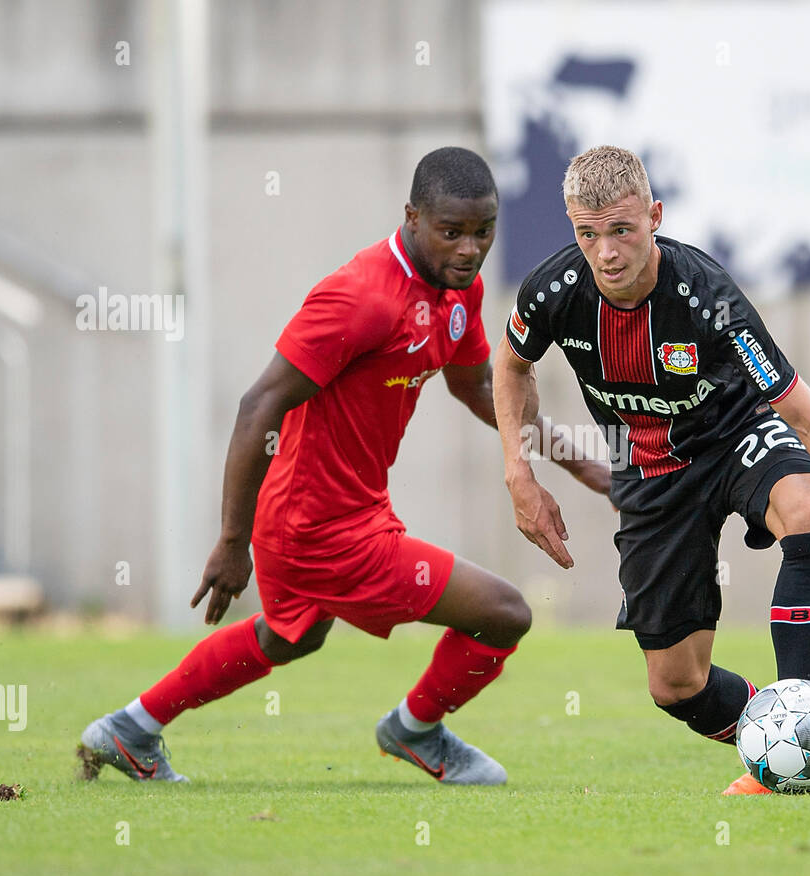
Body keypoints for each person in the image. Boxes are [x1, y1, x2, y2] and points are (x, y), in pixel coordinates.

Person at [79, 147, 609, 785]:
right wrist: (230, 542)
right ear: (411, 217)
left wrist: (584, 467)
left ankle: (131, 728)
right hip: (318, 526)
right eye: (451, 232)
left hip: (345, 508)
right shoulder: (360, 297)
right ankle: (417, 729)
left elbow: (476, 390)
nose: (470, 250)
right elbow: (258, 406)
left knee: (291, 636)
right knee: (504, 612)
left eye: (483, 231)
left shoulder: (457, 289)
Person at [493, 146, 810, 795]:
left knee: (809, 509)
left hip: (736, 435)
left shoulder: (708, 297)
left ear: (655, 216)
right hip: (651, 469)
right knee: (675, 684)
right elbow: (511, 364)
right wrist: (517, 473)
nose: (606, 252)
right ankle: (789, 746)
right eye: (588, 233)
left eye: (622, 230)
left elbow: (805, 416)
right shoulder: (554, 290)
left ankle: (805, 743)